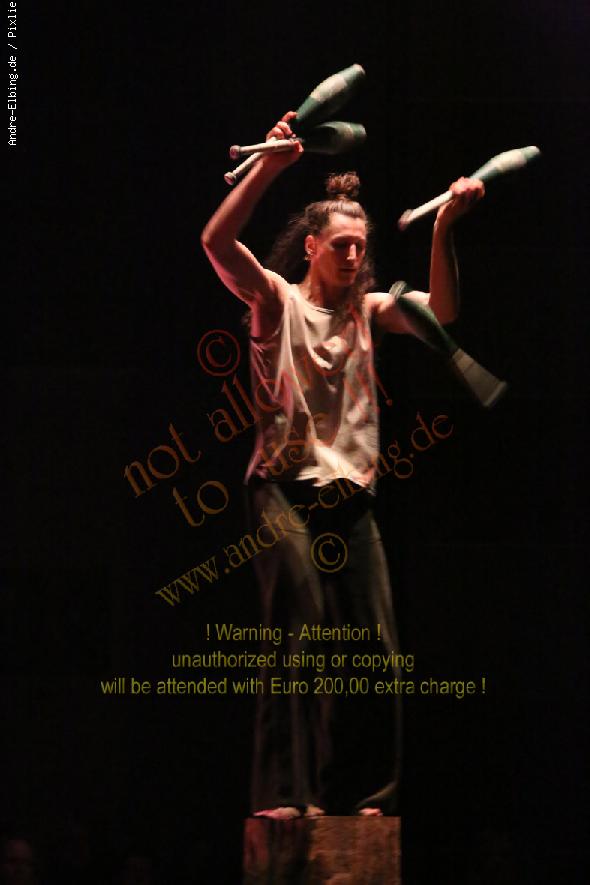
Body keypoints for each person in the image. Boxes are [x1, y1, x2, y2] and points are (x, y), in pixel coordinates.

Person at [201, 112, 484, 819]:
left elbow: (442, 312)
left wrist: (445, 226)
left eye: (362, 246)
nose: (354, 257)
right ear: (312, 247)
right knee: (299, 618)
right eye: (341, 246)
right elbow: (216, 242)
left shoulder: (371, 310)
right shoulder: (275, 300)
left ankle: (365, 792)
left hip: (349, 497)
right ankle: (284, 793)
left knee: (377, 644)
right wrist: (268, 168)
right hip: (281, 490)